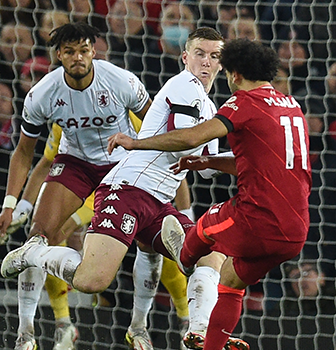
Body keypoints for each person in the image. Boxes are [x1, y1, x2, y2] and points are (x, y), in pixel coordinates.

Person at [0, 27, 253, 350]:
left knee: (212, 255)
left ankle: (199, 332)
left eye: (214, 56)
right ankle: (34, 253)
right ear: (185, 57)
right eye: (199, 54)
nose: (205, 62)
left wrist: (252, 159)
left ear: (222, 64)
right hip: (127, 190)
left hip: (158, 201)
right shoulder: (184, 86)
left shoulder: (207, 107)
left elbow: (204, 167)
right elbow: (185, 144)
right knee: (93, 281)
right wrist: (138, 143)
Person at [103, 38, 311, 350]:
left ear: (235, 74)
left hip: (258, 219)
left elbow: (190, 136)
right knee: (230, 280)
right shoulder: (292, 106)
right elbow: (255, 164)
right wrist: (209, 161)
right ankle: (213, 344)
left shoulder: (242, 103)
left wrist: (136, 143)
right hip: (296, 230)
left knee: (204, 228)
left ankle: (184, 257)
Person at [0, 22, 151, 350]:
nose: (78, 57)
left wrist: (149, 167)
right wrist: (9, 205)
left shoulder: (121, 81)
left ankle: (150, 325)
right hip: (75, 164)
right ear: (59, 55)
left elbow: (153, 124)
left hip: (120, 167)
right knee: (37, 238)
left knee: (150, 242)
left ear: (93, 50)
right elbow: (24, 153)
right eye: (70, 51)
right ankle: (26, 335)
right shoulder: (43, 94)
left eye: (83, 50)